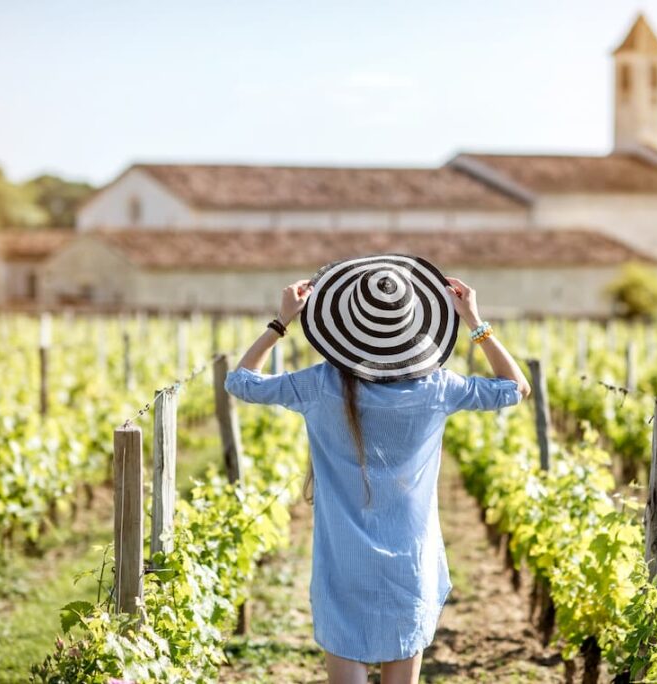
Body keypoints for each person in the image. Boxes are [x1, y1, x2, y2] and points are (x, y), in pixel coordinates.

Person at [225, 254, 530, 684]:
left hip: (341, 567)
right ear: (418, 327)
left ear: (344, 331)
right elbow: (515, 388)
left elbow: (239, 382)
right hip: (410, 565)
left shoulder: (319, 385)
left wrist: (280, 322)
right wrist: (475, 322)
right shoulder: (438, 388)